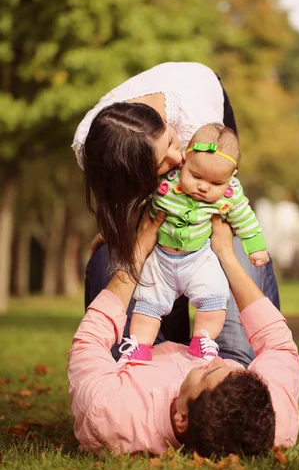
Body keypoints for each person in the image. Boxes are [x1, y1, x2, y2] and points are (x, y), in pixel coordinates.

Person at [74, 62, 280, 353]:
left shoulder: (195, 121)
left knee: (219, 235)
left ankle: (225, 344)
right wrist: (121, 227)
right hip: (153, 200)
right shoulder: (92, 147)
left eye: (172, 143)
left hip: (206, 119)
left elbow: (216, 179)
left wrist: (233, 244)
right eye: (163, 163)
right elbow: (120, 193)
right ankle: (159, 353)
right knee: (131, 274)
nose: (179, 157)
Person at [68, 211, 299, 458]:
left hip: (137, 356)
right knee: (238, 245)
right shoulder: (270, 416)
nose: (215, 361)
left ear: (181, 418)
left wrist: (136, 256)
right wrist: (225, 255)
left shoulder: (109, 412)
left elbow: (89, 341)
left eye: (207, 373)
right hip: (210, 339)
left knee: (111, 255)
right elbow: (278, 344)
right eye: (237, 373)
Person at [122, 123, 269, 362]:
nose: (203, 187)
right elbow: (136, 199)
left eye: (215, 184)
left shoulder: (231, 194)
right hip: (159, 259)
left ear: (231, 177)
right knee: (148, 302)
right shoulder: (166, 181)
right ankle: (139, 346)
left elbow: (245, 218)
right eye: (196, 176)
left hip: (199, 258)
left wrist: (256, 246)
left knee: (214, 297)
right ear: (184, 160)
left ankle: (202, 340)